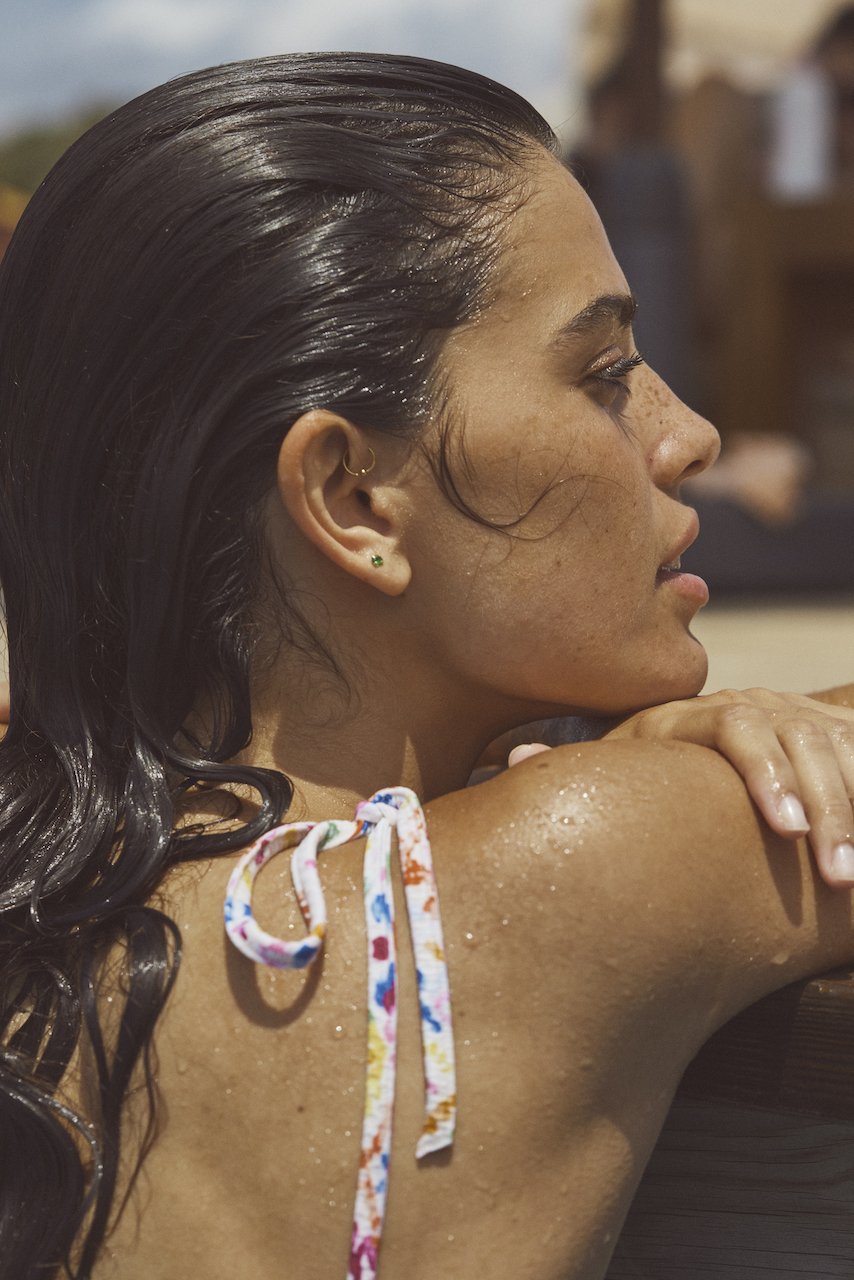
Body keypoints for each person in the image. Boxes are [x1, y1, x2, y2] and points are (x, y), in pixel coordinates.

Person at [1, 54, 853, 1280]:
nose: (688, 434)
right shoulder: (580, 858)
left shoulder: (49, 888)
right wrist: (635, 770)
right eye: (603, 374)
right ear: (353, 499)